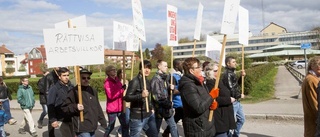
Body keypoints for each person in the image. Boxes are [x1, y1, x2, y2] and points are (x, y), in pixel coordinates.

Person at [61, 69, 108, 137]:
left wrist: (103, 122)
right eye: (83, 78)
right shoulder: (74, 91)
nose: (86, 80)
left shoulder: (93, 90)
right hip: (82, 126)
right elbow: (64, 107)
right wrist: (76, 107)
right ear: (79, 78)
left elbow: (97, 107)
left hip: (92, 125)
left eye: (88, 78)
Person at [178, 57, 216, 136]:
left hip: (205, 125)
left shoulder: (200, 82)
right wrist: (211, 96)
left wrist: (211, 104)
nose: (201, 69)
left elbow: (204, 100)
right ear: (191, 71)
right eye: (198, 67)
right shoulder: (188, 86)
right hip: (197, 128)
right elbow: (198, 108)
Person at [124, 60, 158, 137]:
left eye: (149, 68)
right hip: (138, 116)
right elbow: (127, 97)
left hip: (149, 114)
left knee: (154, 134)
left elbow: (148, 97)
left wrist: (151, 107)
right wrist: (140, 95)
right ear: (140, 69)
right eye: (144, 68)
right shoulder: (135, 81)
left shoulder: (147, 81)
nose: (147, 70)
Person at [205, 63, 236, 137]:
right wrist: (229, 100)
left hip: (226, 113)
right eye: (215, 71)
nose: (218, 72)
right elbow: (214, 99)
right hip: (219, 114)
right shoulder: (210, 83)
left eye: (219, 70)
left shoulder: (219, 81)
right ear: (210, 72)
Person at [150, 60, 178, 137]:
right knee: (156, 128)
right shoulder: (156, 79)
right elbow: (157, 96)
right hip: (160, 108)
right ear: (159, 66)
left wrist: (170, 87)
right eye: (165, 66)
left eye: (167, 66)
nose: (167, 67)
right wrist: (168, 103)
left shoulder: (164, 78)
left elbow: (164, 89)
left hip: (166, 107)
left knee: (173, 126)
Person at [222, 56, 246, 137]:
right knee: (230, 122)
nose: (235, 63)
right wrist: (239, 95)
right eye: (233, 62)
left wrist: (241, 77)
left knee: (242, 119)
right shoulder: (227, 74)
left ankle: (235, 134)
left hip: (237, 101)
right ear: (228, 64)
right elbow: (230, 88)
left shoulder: (232, 72)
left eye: (235, 61)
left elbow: (235, 85)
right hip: (233, 101)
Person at [47, 67, 74, 137]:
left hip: (72, 117)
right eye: (64, 75)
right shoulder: (54, 89)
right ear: (59, 77)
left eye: (67, 75)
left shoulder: (71, 87)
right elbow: (50, 105)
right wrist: (53, 119)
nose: (66, 77)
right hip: (61, 118)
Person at [104, 65, 129, 137]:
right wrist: (121, 90)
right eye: (112, 70)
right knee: (111, 126)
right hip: (112, 109)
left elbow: (121, 90)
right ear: (108, 72)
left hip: (120, 107)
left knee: (125, 125)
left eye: (115, 69)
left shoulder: (118, 80)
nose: (115, 71)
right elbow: (111, 96)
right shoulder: (107, 83)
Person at [163, 59, 184, 137]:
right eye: (181, 64)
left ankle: (166, 132)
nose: (183, 66)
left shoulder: (180, 75)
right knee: (180, 117)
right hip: (177, 101)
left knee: (177, 117)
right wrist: (183, 89)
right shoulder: (173, 76)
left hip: (181, 101)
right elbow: (173, 91)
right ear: (176, 66)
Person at [302, 56, 320, 137]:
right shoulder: (311, 80)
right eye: (318, 64)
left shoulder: (313, 78)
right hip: (314, 121)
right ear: (312, 66)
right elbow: (315, 102)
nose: (319, 66)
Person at [44, 67, 60, 137]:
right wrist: (50, 102)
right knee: (52, 118)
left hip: (60, 99)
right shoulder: (49, 76)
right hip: (52, 101)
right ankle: (51, 134)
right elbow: (46, 91)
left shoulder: (61, 74)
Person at [116, 68, 130, 137]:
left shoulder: (127, 81)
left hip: (127, 103)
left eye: (125, 72)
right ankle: (123, 132)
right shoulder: (117, 82)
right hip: (121, 104)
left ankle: (121, 131)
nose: (124, 74)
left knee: (128, 120)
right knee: (126, 121)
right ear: (119, 74)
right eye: (122, 73)